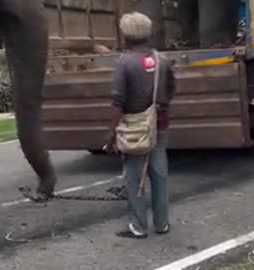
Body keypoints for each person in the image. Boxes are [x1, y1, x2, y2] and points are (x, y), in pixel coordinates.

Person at [105, 11, 176, 239]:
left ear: (125, 35)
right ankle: (162, 223)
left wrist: (111, 134)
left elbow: (118, 103)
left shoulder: (124, 63)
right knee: (160, 173)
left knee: (135, 178)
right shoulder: (163, 60)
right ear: (148, 33)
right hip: (160, 124)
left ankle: (138, 226)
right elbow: (172, 88)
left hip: (134, 128)